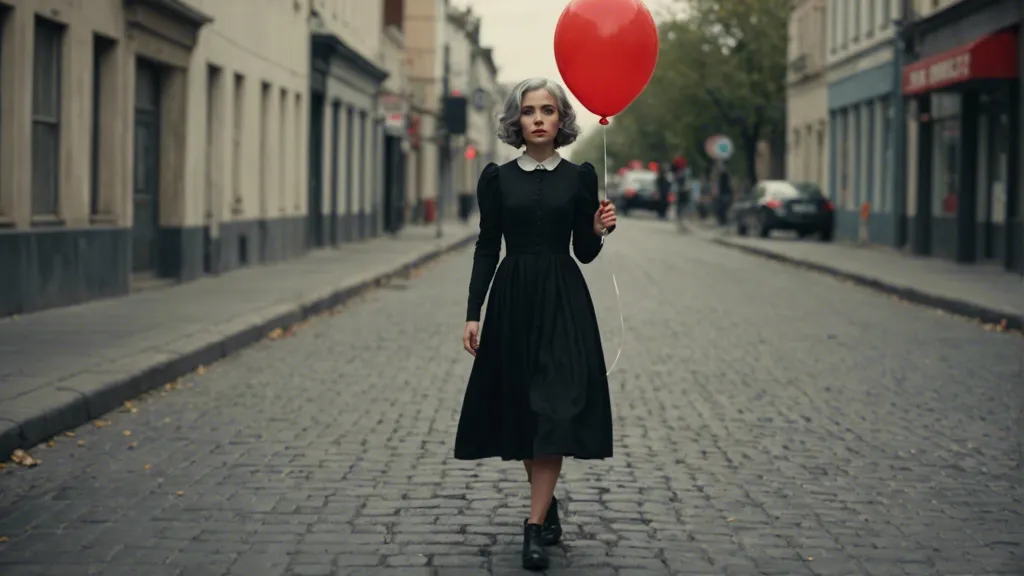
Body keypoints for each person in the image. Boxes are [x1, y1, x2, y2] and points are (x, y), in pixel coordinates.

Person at [454, 77, 618, 571]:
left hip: (563, 300)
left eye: (549, 110)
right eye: (529, 111)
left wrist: (596, 229)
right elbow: (487, 247)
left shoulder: (579, 177)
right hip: (512, 301)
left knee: (555, 408)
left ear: (561, 119)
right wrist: (472, 311)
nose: (539, 118)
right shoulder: (498, 180)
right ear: (516, 121)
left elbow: (585, 254)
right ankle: (546, 507)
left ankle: (531, 527)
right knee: (525, 411)